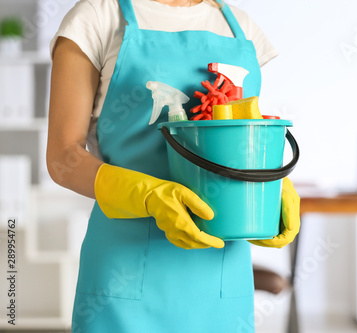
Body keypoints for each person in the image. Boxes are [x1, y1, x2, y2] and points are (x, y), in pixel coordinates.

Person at [46, 0, 300, 331]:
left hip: (221, 277)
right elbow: (62, 157)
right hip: (126, 271)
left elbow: (241, 140)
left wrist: (272, 187)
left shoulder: (240, 26)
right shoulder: (96, 16)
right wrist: (148, 195)